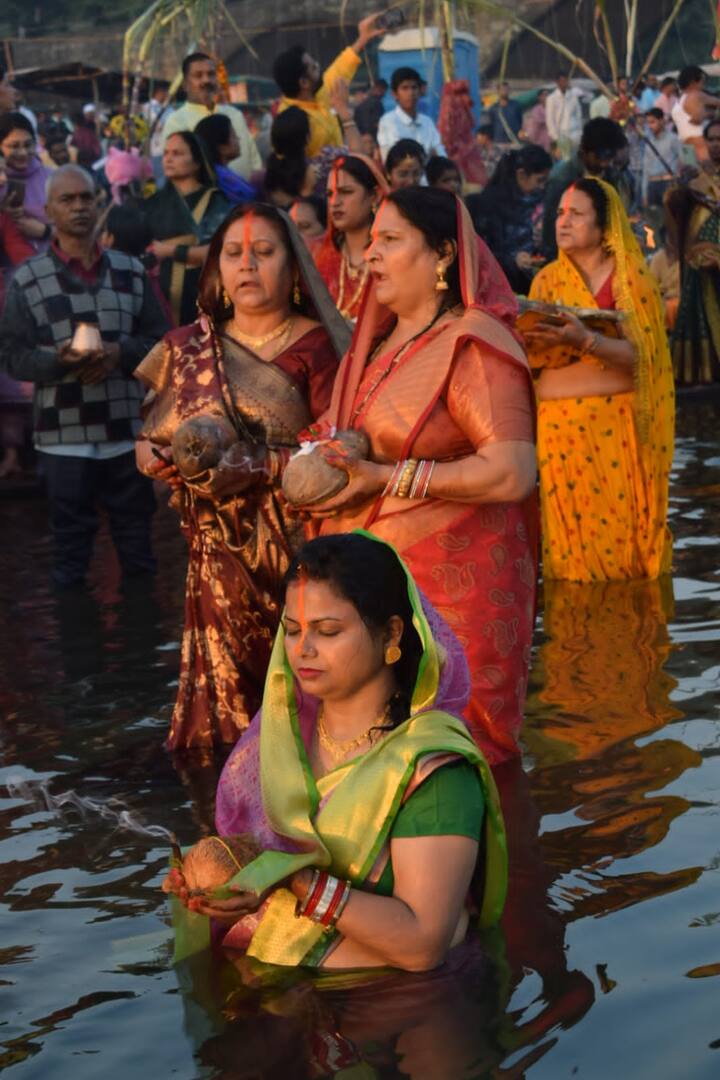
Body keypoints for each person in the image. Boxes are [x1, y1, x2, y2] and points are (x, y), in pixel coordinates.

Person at [166, 532, 507, 971]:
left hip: (390, 1011)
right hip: (269, 989)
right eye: (291, 631)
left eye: (328, 631)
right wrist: (212, 884)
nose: (303, 649)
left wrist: (291, 877)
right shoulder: (272, 745)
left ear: (392, 633)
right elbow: (252, 861)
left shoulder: (432, 769)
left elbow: (423, 945)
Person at [303, 187, 538, 766]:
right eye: (371, 242)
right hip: (372, 591)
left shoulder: (472, 342)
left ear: (441, 255)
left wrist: (385, 477)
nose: (369, 256)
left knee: (447, 764)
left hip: (452, 602)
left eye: (389, 240)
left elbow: (512, 472)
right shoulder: (379, 346)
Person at [135, 203, 349, 750]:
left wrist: (255, 466)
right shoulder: (188, 348)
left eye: (264, 252)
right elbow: (149, 438)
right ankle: (228, 804)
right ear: (217, 271)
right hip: (215, 550)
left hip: (298, 540)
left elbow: (338, 446)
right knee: (228, 696)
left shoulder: (319, 347)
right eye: (233, 254)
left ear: (293, 267)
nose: (247, 266)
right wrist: (153, 458)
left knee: (309, 680)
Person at [0, 165, 168, 588]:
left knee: (137, 549)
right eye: (67, 200)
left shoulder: (131, 272)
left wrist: (119, 353)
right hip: (63, 439)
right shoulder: (28, 279)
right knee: (70, 556)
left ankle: (137, 640)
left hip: (126, 434)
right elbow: (13, 357)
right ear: (50, 211)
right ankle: (79, 646)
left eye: (86, 198)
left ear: (99, 205)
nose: (78, 207)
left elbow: (161, 343)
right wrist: (59, 360)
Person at [523, 177, 674, 582]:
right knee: (572, 562)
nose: (564, 222)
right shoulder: (546, 281)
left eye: (576, 214)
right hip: (559, 437)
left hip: (618, 435)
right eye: (559, 213)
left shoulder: (632, 280)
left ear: (604, 226)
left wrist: (585, 340)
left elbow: (648, 360)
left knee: (624, 557)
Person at [143, 130, 231, 326]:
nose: (168, 159)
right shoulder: (154, 202)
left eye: (178, 153)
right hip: (158, 297)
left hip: (200, 293)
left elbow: (218, 252)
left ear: (198, 161)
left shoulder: (214, 201)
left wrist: (169, 251)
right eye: (166, 153)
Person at [273, 13, 385, 158]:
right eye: (313, 67)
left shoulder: (315, 96)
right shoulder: (292, 123)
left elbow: (339, 70)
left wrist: (362, 39)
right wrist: (344, 112)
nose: (319, 67)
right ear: (304, 83)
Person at [669, 119, 720, 384]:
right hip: (698, 273)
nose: (715, 145)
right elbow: (677, 213)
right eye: (710, 139)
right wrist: (681, 192)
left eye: (719, 139)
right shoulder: (698, 180)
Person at [312, 154, 389, 324]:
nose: (334, 202)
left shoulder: (391, 256)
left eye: (346, 192)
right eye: (329, 194)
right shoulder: (317, 254)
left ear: (375, 195)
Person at [466, 144, 552, 293]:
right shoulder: (491, 204)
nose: (543, 186)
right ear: (521, 175)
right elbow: (481, 251)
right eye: (539, 180)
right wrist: (513, 259)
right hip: (498, 283)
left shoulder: (539, 200)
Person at [161, 52, 261, 181]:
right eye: (198, 75)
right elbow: (176, 172)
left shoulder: (234, 114)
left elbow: (254, 161)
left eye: (211, 74)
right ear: (185, 85)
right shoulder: (176, 121)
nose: (206, 80)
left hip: (246, 196)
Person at [541, 117, 630, 258]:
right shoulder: (562, 179)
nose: (604, 163)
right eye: (601, 157)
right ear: (585, 152)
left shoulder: (614, 177)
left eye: (610, 157)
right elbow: (551, 231)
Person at [264, 96, 360, 209]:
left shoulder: (269, 171)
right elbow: (358, 157)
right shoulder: (323, 162)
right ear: (307, 138)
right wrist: (346, 118)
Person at [0, 111, 52, 251]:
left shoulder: (52, 178)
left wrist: (46, 231)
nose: (23, 152)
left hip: (55, 263)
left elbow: (75, 228)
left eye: (28, 145)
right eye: (14, 146)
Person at [377, 67, 445, 165]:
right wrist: (428, 155)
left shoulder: (427, 122)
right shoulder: (387, 122)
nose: (411, 93)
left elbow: (441, 155)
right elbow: (392, 161)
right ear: (395, 94)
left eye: (414, 87)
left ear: (420, 91)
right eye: (405, 88)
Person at [194, 113, 257, 203]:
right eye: (233, 135)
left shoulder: (218, 173)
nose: (238, 139)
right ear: (221, 147)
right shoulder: (219, 178)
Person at [671, 65, 720, 164]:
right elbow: (696, 119)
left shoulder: (680, 100)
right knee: (710, 176)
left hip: (685, 145)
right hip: (698, 143)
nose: (703, 85)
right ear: (693, 82)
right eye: (702, 82)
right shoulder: (696, 95)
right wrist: (710, 114)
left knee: (693, 175)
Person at [641, 108, 682, 212]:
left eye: (653, 122)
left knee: (671, 219)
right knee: (654, 222)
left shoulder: (673, 139)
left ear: (662, 121)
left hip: (668, 183)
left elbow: (686, 159)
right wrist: (644, 193)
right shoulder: (648, 141)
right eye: (648, 123)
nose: (650, 126)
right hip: (652, 185)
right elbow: (646, 169)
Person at [545, 73, 583, 160]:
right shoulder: (551, 98)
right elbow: (550, 120)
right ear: (557, 82)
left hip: (575, 134)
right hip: (561, 135)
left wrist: (580, 133)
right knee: (565, 161)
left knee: (576, 160)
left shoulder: (573, 97)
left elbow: (578, 116)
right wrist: (556, 138)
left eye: (565, 81)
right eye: (562, 81)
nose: (564, 83)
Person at [487, 83, 523, 149]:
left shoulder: (516, 105)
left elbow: (520, 121)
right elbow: (491, 124)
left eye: (507, 89)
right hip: (499, 141)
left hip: (514, 140)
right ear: (498, 91)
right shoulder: (494, 108)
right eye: (503, 89)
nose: (505, 91)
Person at [70, 105, 101, 169]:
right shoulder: (90, 132)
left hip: (84, 164)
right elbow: (97, 150)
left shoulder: (77, 134)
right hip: (92, 162)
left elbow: (72, 150)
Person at [523, 88, 551, 152]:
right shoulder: (536, 109)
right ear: (539, 97)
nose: (546, 97)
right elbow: (539, 120)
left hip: (551, 141)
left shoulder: (553, 108)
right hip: (539, 141)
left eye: (547, 95)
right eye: (544, 95)